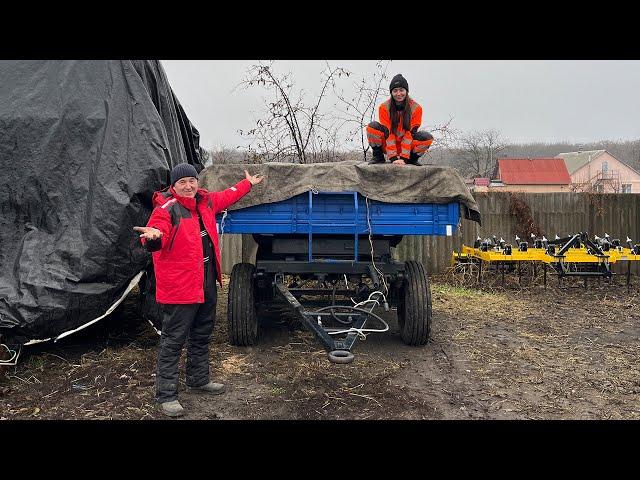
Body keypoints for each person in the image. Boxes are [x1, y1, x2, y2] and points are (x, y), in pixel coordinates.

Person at [134, 162, 263, 417]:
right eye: (182, 182)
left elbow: (227, 196)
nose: (189, 186)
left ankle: (198, 380)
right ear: (173, 185)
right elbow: (158, 229)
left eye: (192, 180)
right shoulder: (167, 208)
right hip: (180, 287)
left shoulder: (205, 202)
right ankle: (166, 394)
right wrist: (153, 236)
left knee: (202, 334)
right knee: (173, 340)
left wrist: (247, 184)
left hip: (205, 282)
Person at [366, 73, 434, 166]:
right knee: (372, 127)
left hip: (407, 146)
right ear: (391, 92)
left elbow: (409, 135)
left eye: (401, 90)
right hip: (388, 145)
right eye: (395, 91)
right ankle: (378, 156)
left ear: (406, 91)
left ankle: (412, 159)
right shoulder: (384, 108)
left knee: (427, 138)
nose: (398, 94)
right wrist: (393, 158)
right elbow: (389, 133)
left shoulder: (416, 108)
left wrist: (404, 159)